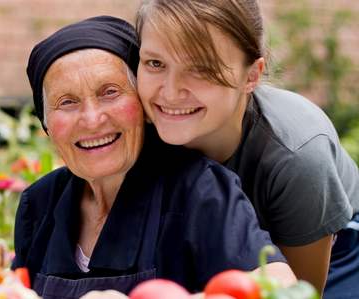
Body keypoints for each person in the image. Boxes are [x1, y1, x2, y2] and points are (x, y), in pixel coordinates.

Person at [12, 15, 296, 299]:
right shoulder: (39, 204)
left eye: (110, 92)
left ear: (143, 104)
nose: (91, 119)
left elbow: (277, 285)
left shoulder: (197, 188)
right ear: (46, 123)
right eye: (67, 102)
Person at [134, 1, 359, 298]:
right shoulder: (138, 126)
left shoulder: (297, 156)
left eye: (201, 68)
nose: (171, 91)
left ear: (251, 76)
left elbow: (298, 291)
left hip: (332, 254)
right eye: (155, 64)